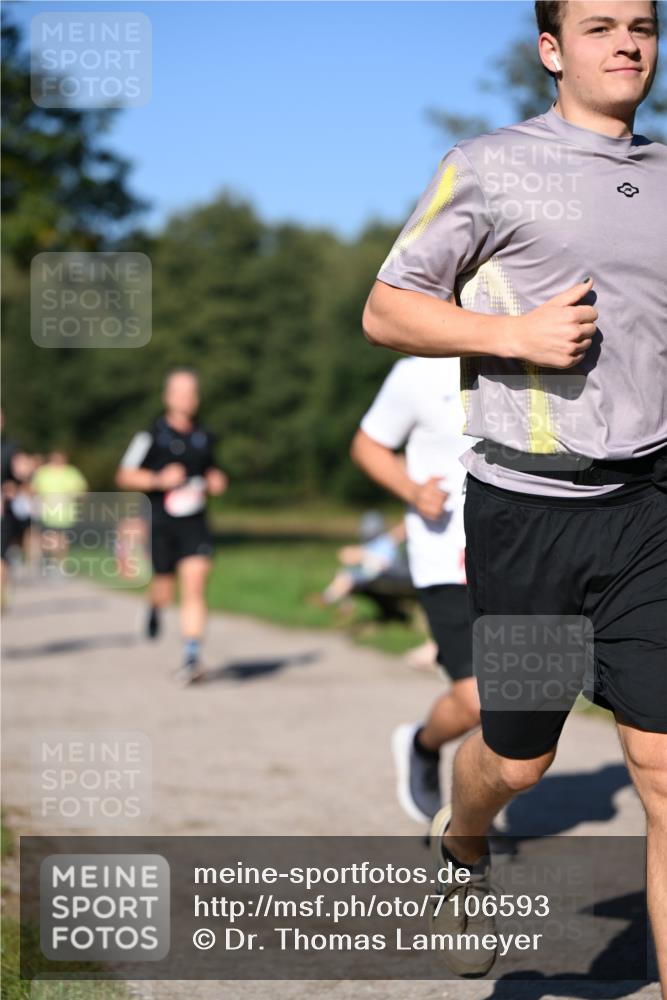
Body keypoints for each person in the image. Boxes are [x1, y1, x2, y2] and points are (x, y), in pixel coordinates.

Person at [362, 0, 666, 984]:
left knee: (662, 774)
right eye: (601, 25)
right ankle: (461, 841)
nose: (627, 43)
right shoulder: (492, 165)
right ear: (550, 48)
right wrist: (511, 337)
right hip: (528, 511)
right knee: (519, 758)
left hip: (649, 511)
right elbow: (385, 307)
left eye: (644, 25)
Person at [351, 356, 481, 826]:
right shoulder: (417, 372)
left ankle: (475, 819)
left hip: (520, 553)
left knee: (525, 704)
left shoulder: (522, 352)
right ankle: (423, 746)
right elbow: (367, 445)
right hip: (446, 555)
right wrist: (410, 490)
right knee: (478, 700)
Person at [116, 368, 228, 684]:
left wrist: (216, 480)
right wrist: (157, 479)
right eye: (180, 392)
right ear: (168, 397)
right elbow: (123, 475)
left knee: (194, 585)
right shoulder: (150, 436)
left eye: (192, 392)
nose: (187, 399)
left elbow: (212, 472)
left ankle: (191, 658)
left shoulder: (203, 436)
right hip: (160, 523)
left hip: (194, 523)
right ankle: (153, 607)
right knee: (165, 589)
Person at [317, 513, 406, 606]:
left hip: (384, 573)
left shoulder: (386, 542)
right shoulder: (374, 543)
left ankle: (328, 599)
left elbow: (385, 564)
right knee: (344, 574)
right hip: (370, 571)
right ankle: (341, 602)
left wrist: (362, 555)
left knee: (346, 576)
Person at [30, 450, 87, 571]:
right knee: (48, 538)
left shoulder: (71, 472)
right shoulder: (43, 472)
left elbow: (81, 490)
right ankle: (48, 560)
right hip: (46, 512)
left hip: (65, 513)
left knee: (62, 539)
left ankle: (60, 565)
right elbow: (33, 489)